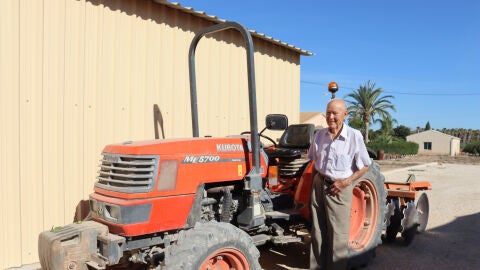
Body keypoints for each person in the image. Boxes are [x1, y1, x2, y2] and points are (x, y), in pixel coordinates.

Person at [308, 98, 372, 270]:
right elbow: (314, 161)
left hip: (339, 188)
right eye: (328, 112)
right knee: (318, 232)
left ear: (345, 115)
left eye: (335, 113)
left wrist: (346, 182)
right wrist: (312, 188)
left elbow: (365, 165)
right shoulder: (319, 135)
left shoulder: (354, 136)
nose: (331, 116)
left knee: (338, 236)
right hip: (318, 184)